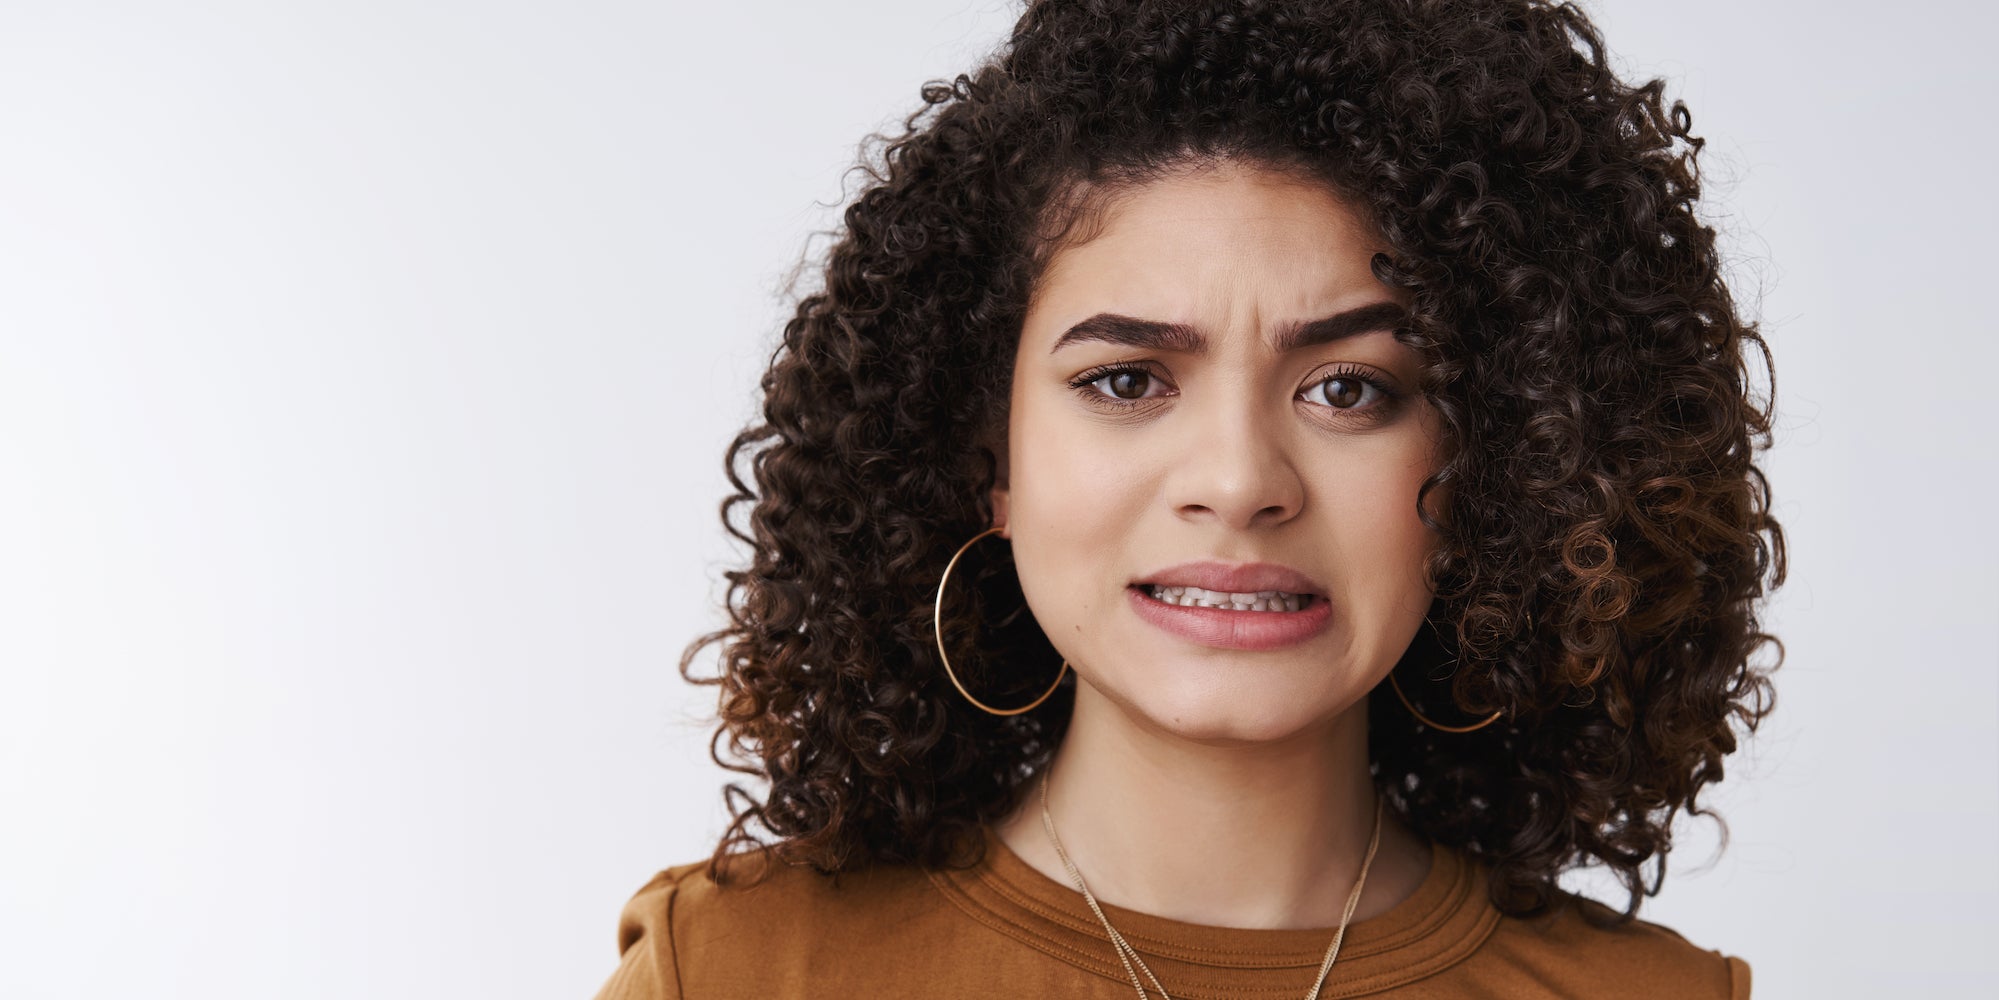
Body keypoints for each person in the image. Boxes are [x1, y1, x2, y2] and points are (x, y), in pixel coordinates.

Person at [592, 0, 1786, 996]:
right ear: (985, 455)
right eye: (1124, 380)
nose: (1237, 480)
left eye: (1348, 389)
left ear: (1508, 466)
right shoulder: (739, 972)